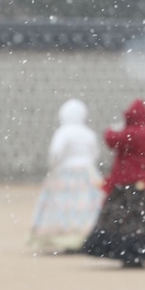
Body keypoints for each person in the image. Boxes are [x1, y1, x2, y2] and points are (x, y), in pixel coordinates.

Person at [81, 98, 145, 268]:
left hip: (128, 186)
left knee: (127, 224)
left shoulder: (132, 133)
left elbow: (111, 140)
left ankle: (130, 254)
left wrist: (112, 129)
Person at [29, 98, 104, 254]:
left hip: (66, 171)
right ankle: (86, 237)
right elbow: (95, 153)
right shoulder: (88, 133)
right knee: (87, 207)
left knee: (65, 207)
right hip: (88, 172)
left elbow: (55, 153)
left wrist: (55, 168)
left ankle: (67, 238)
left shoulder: (63, 132)